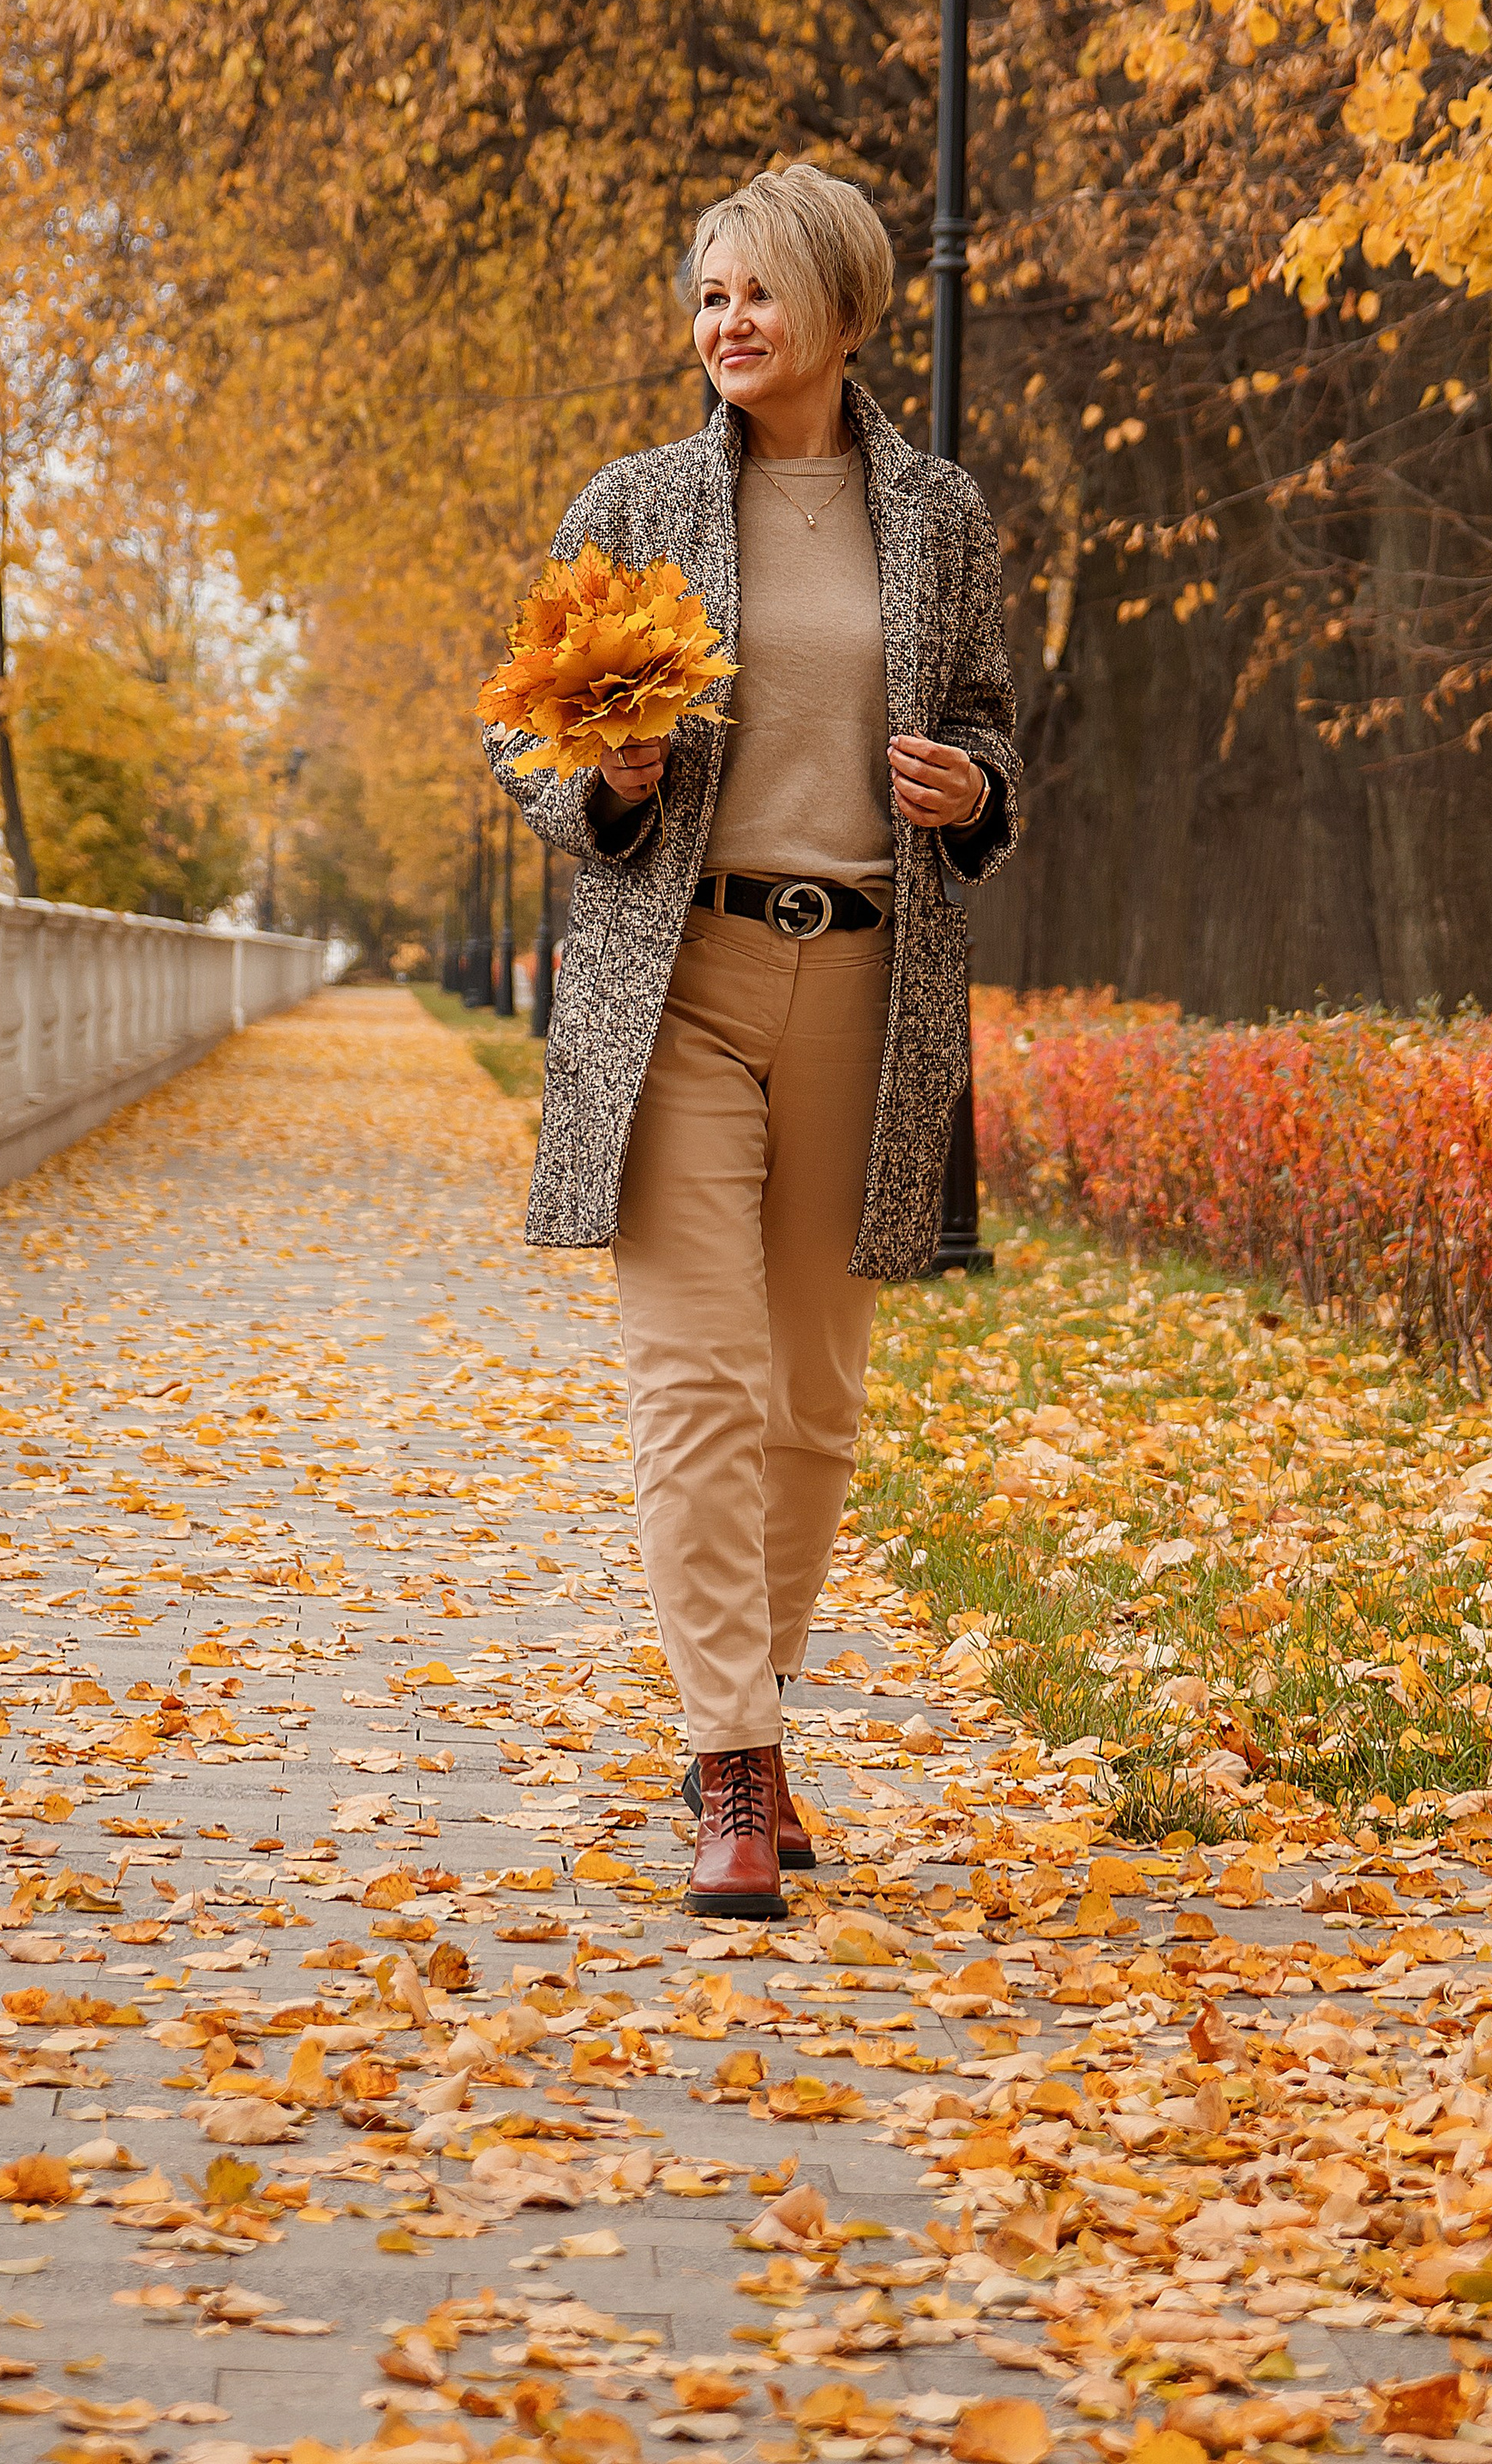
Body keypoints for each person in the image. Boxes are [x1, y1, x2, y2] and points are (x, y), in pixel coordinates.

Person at [486, 162, 1021, 1917]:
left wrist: (973, 788)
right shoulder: (633, 501)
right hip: (679, 989)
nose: (725, 322)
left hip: (868, 988)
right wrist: (603, 777)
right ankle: (731, 1765)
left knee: (813, 1405)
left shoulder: (937, 514)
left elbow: (996, 732)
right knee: (689, 1382)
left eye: (757, 292)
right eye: (708, 293)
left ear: (843, 311)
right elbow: (522, 740)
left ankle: (750, 1723)